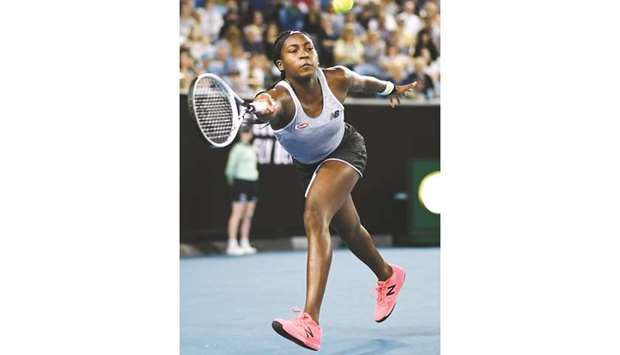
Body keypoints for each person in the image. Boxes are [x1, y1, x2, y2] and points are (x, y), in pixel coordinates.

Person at [245, 31, 417, 351]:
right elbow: (266, 104)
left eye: (309, 48)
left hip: (347, 149)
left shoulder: (336, 78)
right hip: (310, 166)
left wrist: (393, 88)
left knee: (315, 215)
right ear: (281, 64)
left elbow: (367, 83)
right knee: (350, 230)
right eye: (294, 51)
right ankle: (388, 275)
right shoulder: (280, 99)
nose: (305, 54)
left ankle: (310, 322)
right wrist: (259, 108)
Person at [224, 125, 259, 256]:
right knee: (237, 214)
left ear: (250, 134)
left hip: (252, 182)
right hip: (240, 182)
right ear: (240, 135)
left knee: (248, 214)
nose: (246, 135)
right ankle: (232, 244)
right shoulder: (237, 149)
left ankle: (244, 242)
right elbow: (229, 169)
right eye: (244, 133)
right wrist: (233, 182)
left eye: (248, 133)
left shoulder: (253, 148)